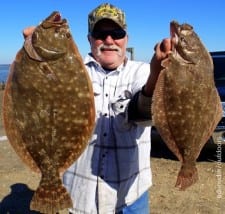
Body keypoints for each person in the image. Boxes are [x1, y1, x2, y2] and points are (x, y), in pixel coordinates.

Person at [23, 3, 171, 214]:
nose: (109, 40)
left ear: (126, 38)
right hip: (82, 197)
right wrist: (34, 55)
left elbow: (145, 113)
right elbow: (37, 100)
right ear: (89, 39)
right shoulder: (70, 70)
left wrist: (157, 74)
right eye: (100, 33)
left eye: (116, 33)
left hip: (131, 197)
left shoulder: (143, 72)